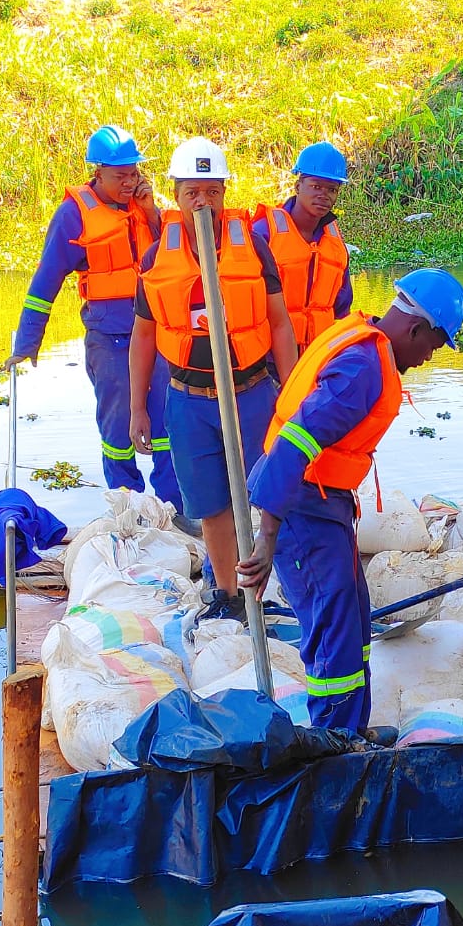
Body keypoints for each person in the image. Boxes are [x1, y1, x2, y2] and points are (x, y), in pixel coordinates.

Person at [237, 270, 463, 733]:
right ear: (416, 329)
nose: (428, 358)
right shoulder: (363, 368)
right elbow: (294, 443)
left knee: (353, 618)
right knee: (334, 629)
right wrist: (267, 537)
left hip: (326, 504)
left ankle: (350, 730)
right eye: (434, 346)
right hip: (301, 507)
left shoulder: (367, 344)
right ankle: (334, 741)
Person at [131, 137, 300, 624]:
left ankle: (284, 585)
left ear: (225, 192)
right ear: (176, 194)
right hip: (189, 399)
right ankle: (227, 593)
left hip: (250, 393)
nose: (202, 202)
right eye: (192, 193)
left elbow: (281, 324)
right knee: (210, 502)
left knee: (272, 489)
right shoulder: (157, 256)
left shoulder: (253, 247)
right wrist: (139, 407)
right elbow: (143, 335)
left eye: (212, 192)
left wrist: (290, 393)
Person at [4, 125, 183, 518]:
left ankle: (174, 508)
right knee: (119, 426)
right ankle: (128, 507)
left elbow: (174, 251)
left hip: (158, 333)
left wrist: (151, 210)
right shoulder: (73, 214)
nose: (130, 182)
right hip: (110, 338)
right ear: (97, 173)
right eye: (121, 176)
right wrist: (28, 342)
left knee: (168, 419)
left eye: (134, 173)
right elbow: (46, 279)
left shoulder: (147, 206)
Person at [252, 142, 353, 355]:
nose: (324, 195)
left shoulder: (334, 243)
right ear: (298, 187)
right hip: (267, 357)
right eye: (316, 186)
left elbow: (342, 308)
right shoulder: (263, 232)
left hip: (317, 356)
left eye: (332, 190)